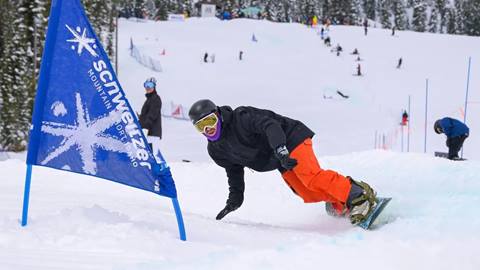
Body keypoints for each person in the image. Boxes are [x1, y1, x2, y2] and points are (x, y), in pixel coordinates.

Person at [188, 99, 379, 226]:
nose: (208, 129)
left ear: (218, 115)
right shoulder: (216, 149)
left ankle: (359, 196)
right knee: (306, 193)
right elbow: (234, 171)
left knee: (311, 177)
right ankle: (341, 201)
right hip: (278, 158)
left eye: (210, 121)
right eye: (201, 126)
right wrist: (235, 200)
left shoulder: (241, 118)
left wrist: (281, 149)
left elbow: (270, 125)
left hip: (289, 140)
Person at [139, 77, 163, 161]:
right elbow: (146, 115)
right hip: (148, 133)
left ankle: (157, 173)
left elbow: (152, 115)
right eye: (146, 85)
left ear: (154, 87)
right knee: (148, 156)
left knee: (153, 156)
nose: (148, 88)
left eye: (150, 85)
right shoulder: (149, 100)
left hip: (152, 133)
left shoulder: (155, 99)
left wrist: (145, 127)